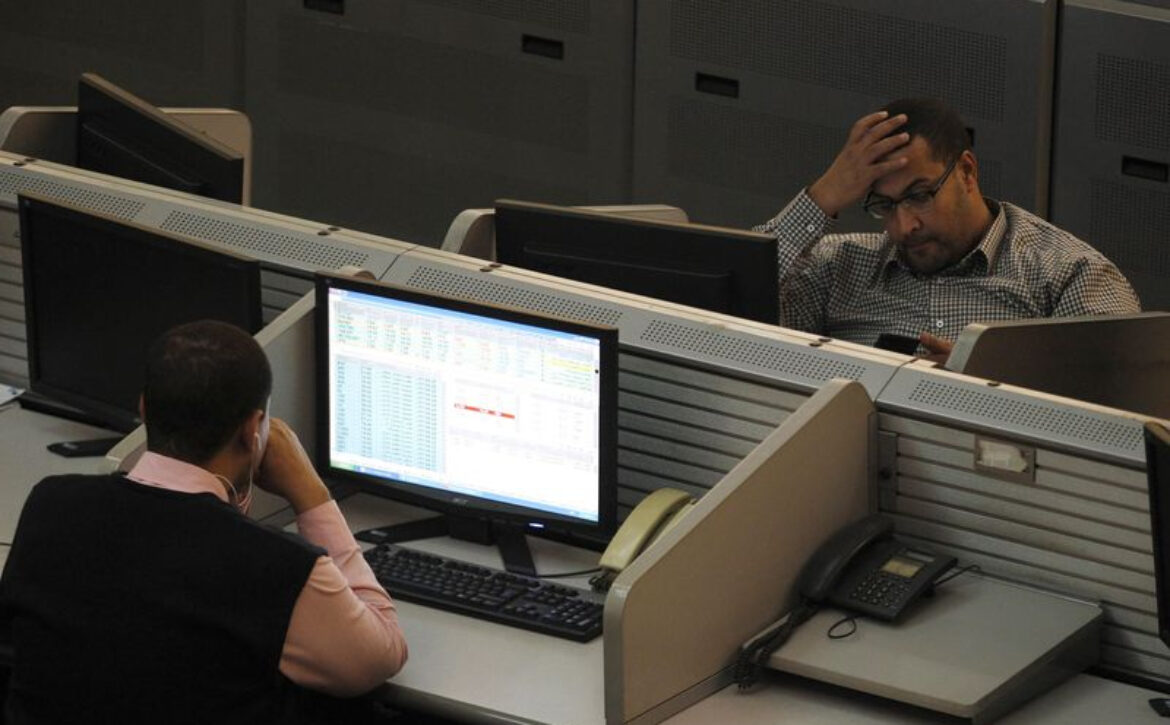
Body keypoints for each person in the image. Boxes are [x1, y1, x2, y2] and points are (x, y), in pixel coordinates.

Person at [0, 320, 408, 724]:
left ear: (143, 409)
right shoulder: (277, 567)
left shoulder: (50, 504)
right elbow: (380, 655)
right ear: (253, 430)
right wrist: (312, 494)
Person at [754, 97, 1140, 362]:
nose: (905, 227)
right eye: (885, 205)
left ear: (967, 172)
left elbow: (1119, 402)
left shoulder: (1069, 274)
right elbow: (727, 314)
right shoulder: (837, 266)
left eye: (920, 195)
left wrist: (992, 381)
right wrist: (824, 196)